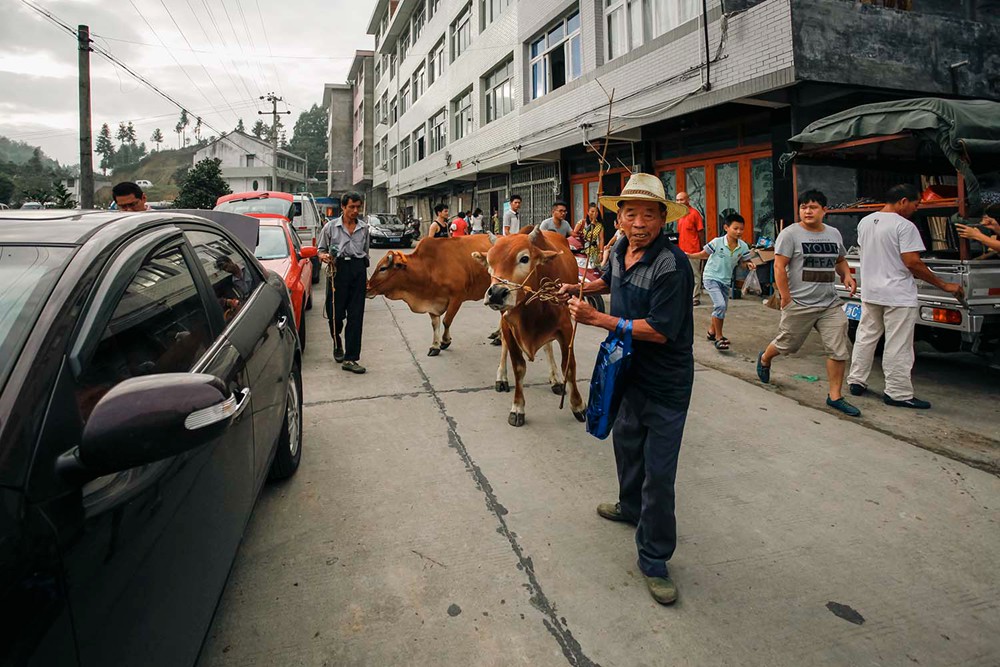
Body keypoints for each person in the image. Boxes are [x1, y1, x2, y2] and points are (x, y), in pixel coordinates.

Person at [560, 172, 692, 606]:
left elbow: (658, 330)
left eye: (648, 214)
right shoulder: (619, 249)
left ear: (661, 219)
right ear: (620, 219)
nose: (638, 222)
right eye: (630, 212)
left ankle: (654, 559)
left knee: (660, 472)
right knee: (626, 442)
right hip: (625, 370)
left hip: (665, 381)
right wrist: (576, 287)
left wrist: (597, 319)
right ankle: (628, 507)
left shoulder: (672, 266)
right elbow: (605, 279)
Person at [846, 184, 964, 408]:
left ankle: (856, 380)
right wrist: (943, 285)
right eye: (915, 204)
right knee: (898, 344)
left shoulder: (866, 222)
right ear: (902, 201)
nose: (916, 209)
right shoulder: (904, 226)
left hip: (871, 291)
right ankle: (898, 393)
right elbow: (913, 263)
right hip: (897, 294)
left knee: (866, 337)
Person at [756, 190, 861, 417]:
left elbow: (840, 260)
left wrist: (847, 276)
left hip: (829, 304)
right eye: (803, 207)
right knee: (787, 345)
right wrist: (785, 296)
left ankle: (835, 396)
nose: (807, 211)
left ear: (824, 210)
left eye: (813, 207)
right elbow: (779, 266)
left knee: (838, 348)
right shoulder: (790, 234)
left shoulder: (833, 233)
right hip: (799, 303)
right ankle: (765, 357)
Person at [317, 191, 370, 374]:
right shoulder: (330, 228)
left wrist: (365, 275)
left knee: (356, 316)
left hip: (357, 270)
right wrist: (323, 256)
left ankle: (351, 358)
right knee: (335, 314)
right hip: (337, 271)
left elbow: (365, 252)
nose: (355, 211)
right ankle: (336, 339)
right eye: (351, 207)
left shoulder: (364, 228)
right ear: (343, 207)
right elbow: (320, 250)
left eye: (358, 207)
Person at [685, 213, 755, 351]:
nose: (739, 232)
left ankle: (711, 332)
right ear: (726, 228)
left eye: (741, 229)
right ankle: (719, 337)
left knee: (721, 308)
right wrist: (689, 255)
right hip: (711, 277)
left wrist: (749, 265)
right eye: (735, 228)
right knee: (720, 305)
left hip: (725, 280)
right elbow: (703, 254)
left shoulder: (743, 246)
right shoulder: (717, 242)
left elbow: (743, 262)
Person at [676, 192, 705, 305]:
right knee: (683, 274)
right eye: (677, 200)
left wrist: (702, 248)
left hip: (693, 249)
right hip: (682, 249)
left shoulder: (694, 214)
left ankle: (695, 297)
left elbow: (701, 231)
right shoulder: (679, 215)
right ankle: (686, 296)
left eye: (682, 200)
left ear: (688, 200)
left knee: (695, 274)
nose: (679, 202)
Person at [573, 202, 605, 267]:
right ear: (588, 212)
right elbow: (573, 234)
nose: (594, 213)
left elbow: (601, 239)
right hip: (582, 250)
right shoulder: (582, 222)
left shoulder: (599, 226)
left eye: (596, 212)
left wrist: (601, 252)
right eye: (592, 211)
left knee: (594, 270)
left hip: (593, 251)